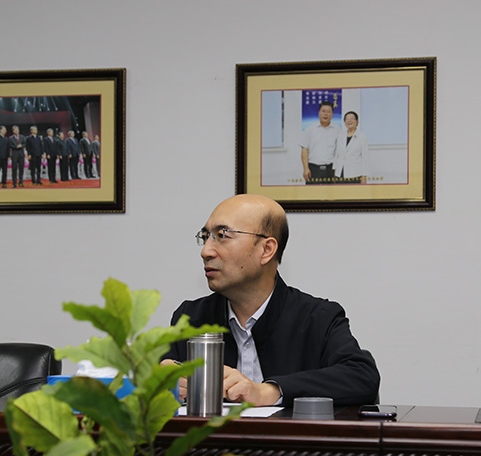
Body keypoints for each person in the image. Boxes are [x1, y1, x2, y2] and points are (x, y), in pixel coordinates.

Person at [161, 194, 380, 407]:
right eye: (205, 236)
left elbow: (362, 376)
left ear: (266, 250)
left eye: (222, 235)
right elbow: (158, 378)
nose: (206, 251)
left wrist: (269, 391)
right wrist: (165, 381)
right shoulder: (191, 318)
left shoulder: (318, 317)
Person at [299, 101, 340, 184]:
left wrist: (337, 170)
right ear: (319, 112)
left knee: (330, 192)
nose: (326, 114)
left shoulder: (337, 130)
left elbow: (339, 151)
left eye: (329, 112)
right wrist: (306, 168)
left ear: (332, 114)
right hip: (313, 169)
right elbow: (304, 149)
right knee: (312, 192)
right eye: (323, 111)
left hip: (330, 169)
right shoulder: (310, 129)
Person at [334, 111, 370, 184]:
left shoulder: (362, 137)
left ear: (357, 121)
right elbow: (336, 155)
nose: (349, 121)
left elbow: (365, 158)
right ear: (344, 122)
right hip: (340, 173)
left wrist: (364, 176)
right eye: (347, 119)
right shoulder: (340, 136)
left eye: (352, 118)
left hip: (355, 174)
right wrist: (335, 170)